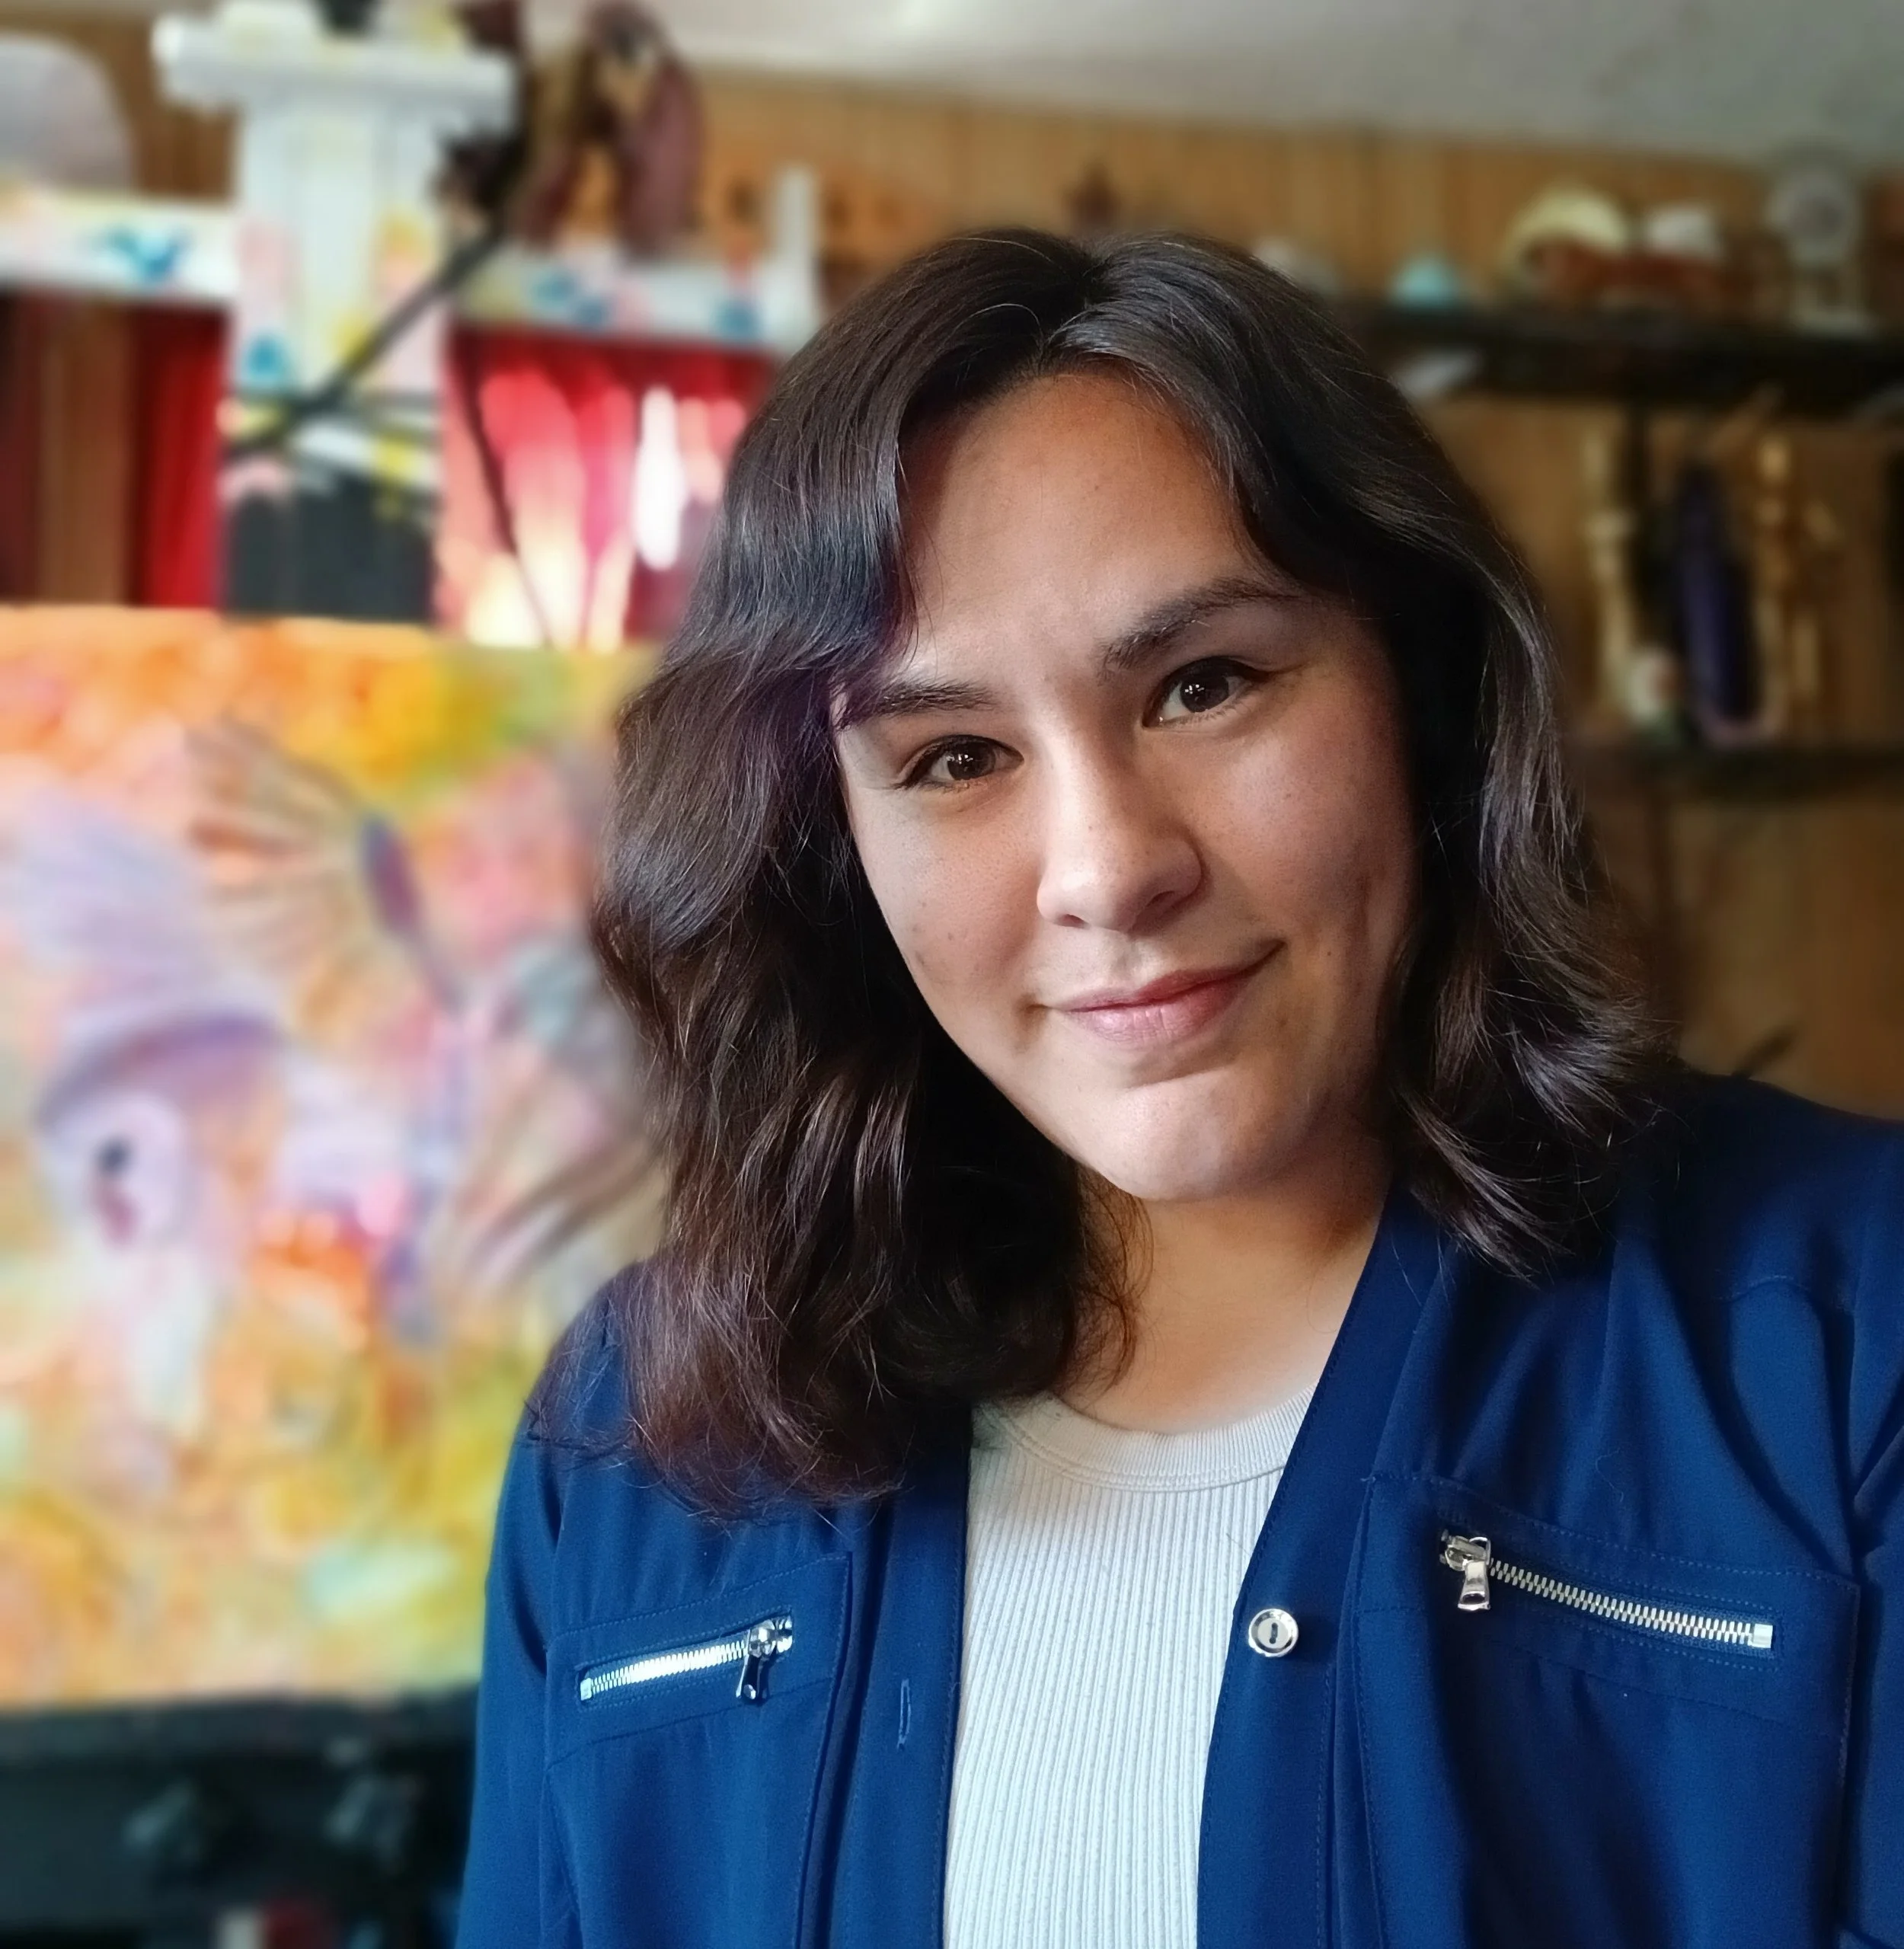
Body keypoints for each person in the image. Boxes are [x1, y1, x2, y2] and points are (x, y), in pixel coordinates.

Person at [456, 231, 1904, 1949]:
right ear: (825, 846)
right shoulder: (629, 1446)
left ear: (1417, 695)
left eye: (1201, 684)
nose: (1107, 869)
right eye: (951, 758)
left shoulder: (1843, 1325)